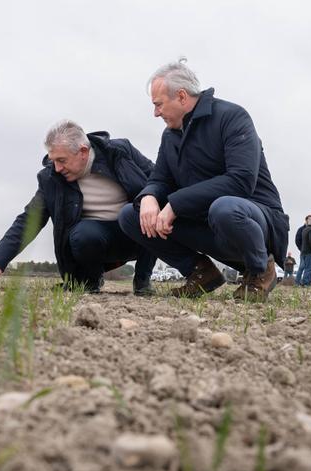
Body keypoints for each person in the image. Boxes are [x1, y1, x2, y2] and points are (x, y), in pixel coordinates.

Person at [118, 59, 289, 301]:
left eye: (158, 104)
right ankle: (201, 272)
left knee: (225, 208)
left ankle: (260, 270)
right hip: (207, 221)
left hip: (255, 219)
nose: (155, 113)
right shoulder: (170, 137)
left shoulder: (232, 117)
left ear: (181, 97)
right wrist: (148, 196)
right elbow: (160, 178)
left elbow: (240, 181)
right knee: (131, 215)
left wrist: (175, 205)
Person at [0, 120, 157, 294]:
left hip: (137, 234)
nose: (57, 168)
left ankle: (143, 281)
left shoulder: (119, 151)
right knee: (83, 234)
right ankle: (90, 281)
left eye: (62, 160)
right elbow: (29, 220)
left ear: (83, 151)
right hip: (94, 240)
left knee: (151, 208)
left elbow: (158, 179)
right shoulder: (52, 179)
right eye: (53, 160)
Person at [296, 217, 311, 287]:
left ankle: (302, 283)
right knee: (309, 268)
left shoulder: (305, 229)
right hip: (310, 252)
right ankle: (306, 283)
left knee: (305, 267)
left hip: (304, 251)